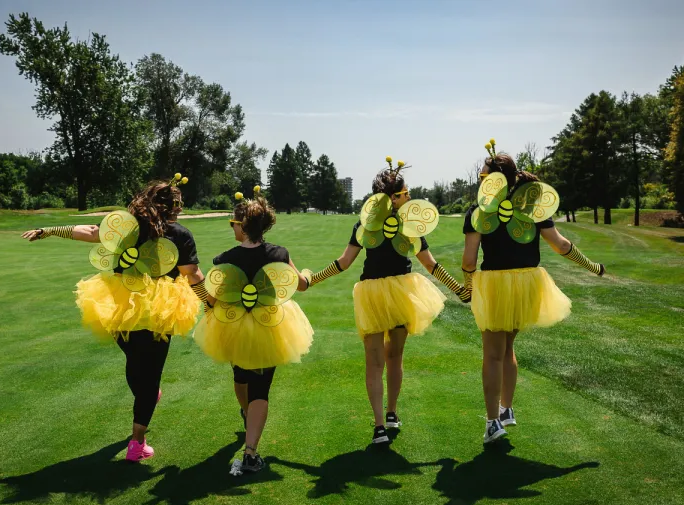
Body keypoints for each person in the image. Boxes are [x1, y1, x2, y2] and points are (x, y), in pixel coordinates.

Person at [21, 174, 212, 460]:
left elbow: (91, 231)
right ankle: (137, 443)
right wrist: (210, 301)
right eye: (178, 204)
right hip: (160, 308)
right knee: (149, 375)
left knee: (137, 365)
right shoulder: (180, 234)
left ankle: (144, 411)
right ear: (169, 206)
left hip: (120, 305)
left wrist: (49, 230)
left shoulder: (126, 228)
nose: (180, 209)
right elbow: (193, 275)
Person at [304, 157, 468, 445]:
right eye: (405, 193)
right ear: (394, 197)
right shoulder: (408, 224)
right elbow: (429, 264)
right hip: (401, 292)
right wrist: (458, 289)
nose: (409, 197)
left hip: (373, 294)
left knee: (375, 362)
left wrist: (311, 280)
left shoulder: (365, 223)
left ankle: (381, 424)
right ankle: (391, 414)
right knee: (394, 358)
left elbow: (344, 262)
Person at [463, 140, 605, 443]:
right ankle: (507, 409)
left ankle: (492, 423)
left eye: (484, 177)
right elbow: (561, 245)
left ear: (496, 179)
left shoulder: (479, 212)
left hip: (496, 284)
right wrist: (591, 266)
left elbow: (468, 260)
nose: (482, 182)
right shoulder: (530, 206)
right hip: (527, 283)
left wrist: (467, 288)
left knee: (492, 354)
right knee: (507, 348)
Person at [195, 186, 313, 474]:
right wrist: (308, 274)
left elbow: (210, 297)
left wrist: (202, 298)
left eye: (233, 224)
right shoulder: (279, 253)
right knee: (261, 387)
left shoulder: (225, 259)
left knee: (240, 376)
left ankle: (248, 418)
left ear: (243, 226)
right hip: (269, 326)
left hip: (233, 326)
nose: (232, 228)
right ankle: (250, 452)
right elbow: (300, 284)